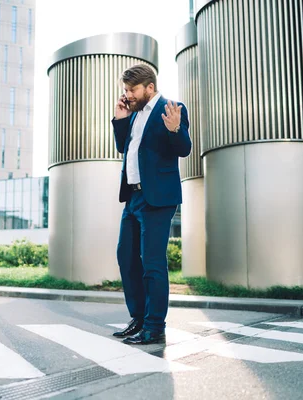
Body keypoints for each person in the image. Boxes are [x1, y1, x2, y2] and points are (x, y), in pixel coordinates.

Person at [111, 64, 192, 345]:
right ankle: (140, 318)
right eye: (125, 90)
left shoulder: (172, 108)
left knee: (152, 264)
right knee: (126, 257)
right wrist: (120, 120)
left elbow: (183, 148)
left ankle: (155, 326)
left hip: (157, 198)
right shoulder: (133, 115)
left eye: (131, 90)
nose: (127, 95)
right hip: (132, 197)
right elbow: (125, 148)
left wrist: (175, 130)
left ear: (149, 87)